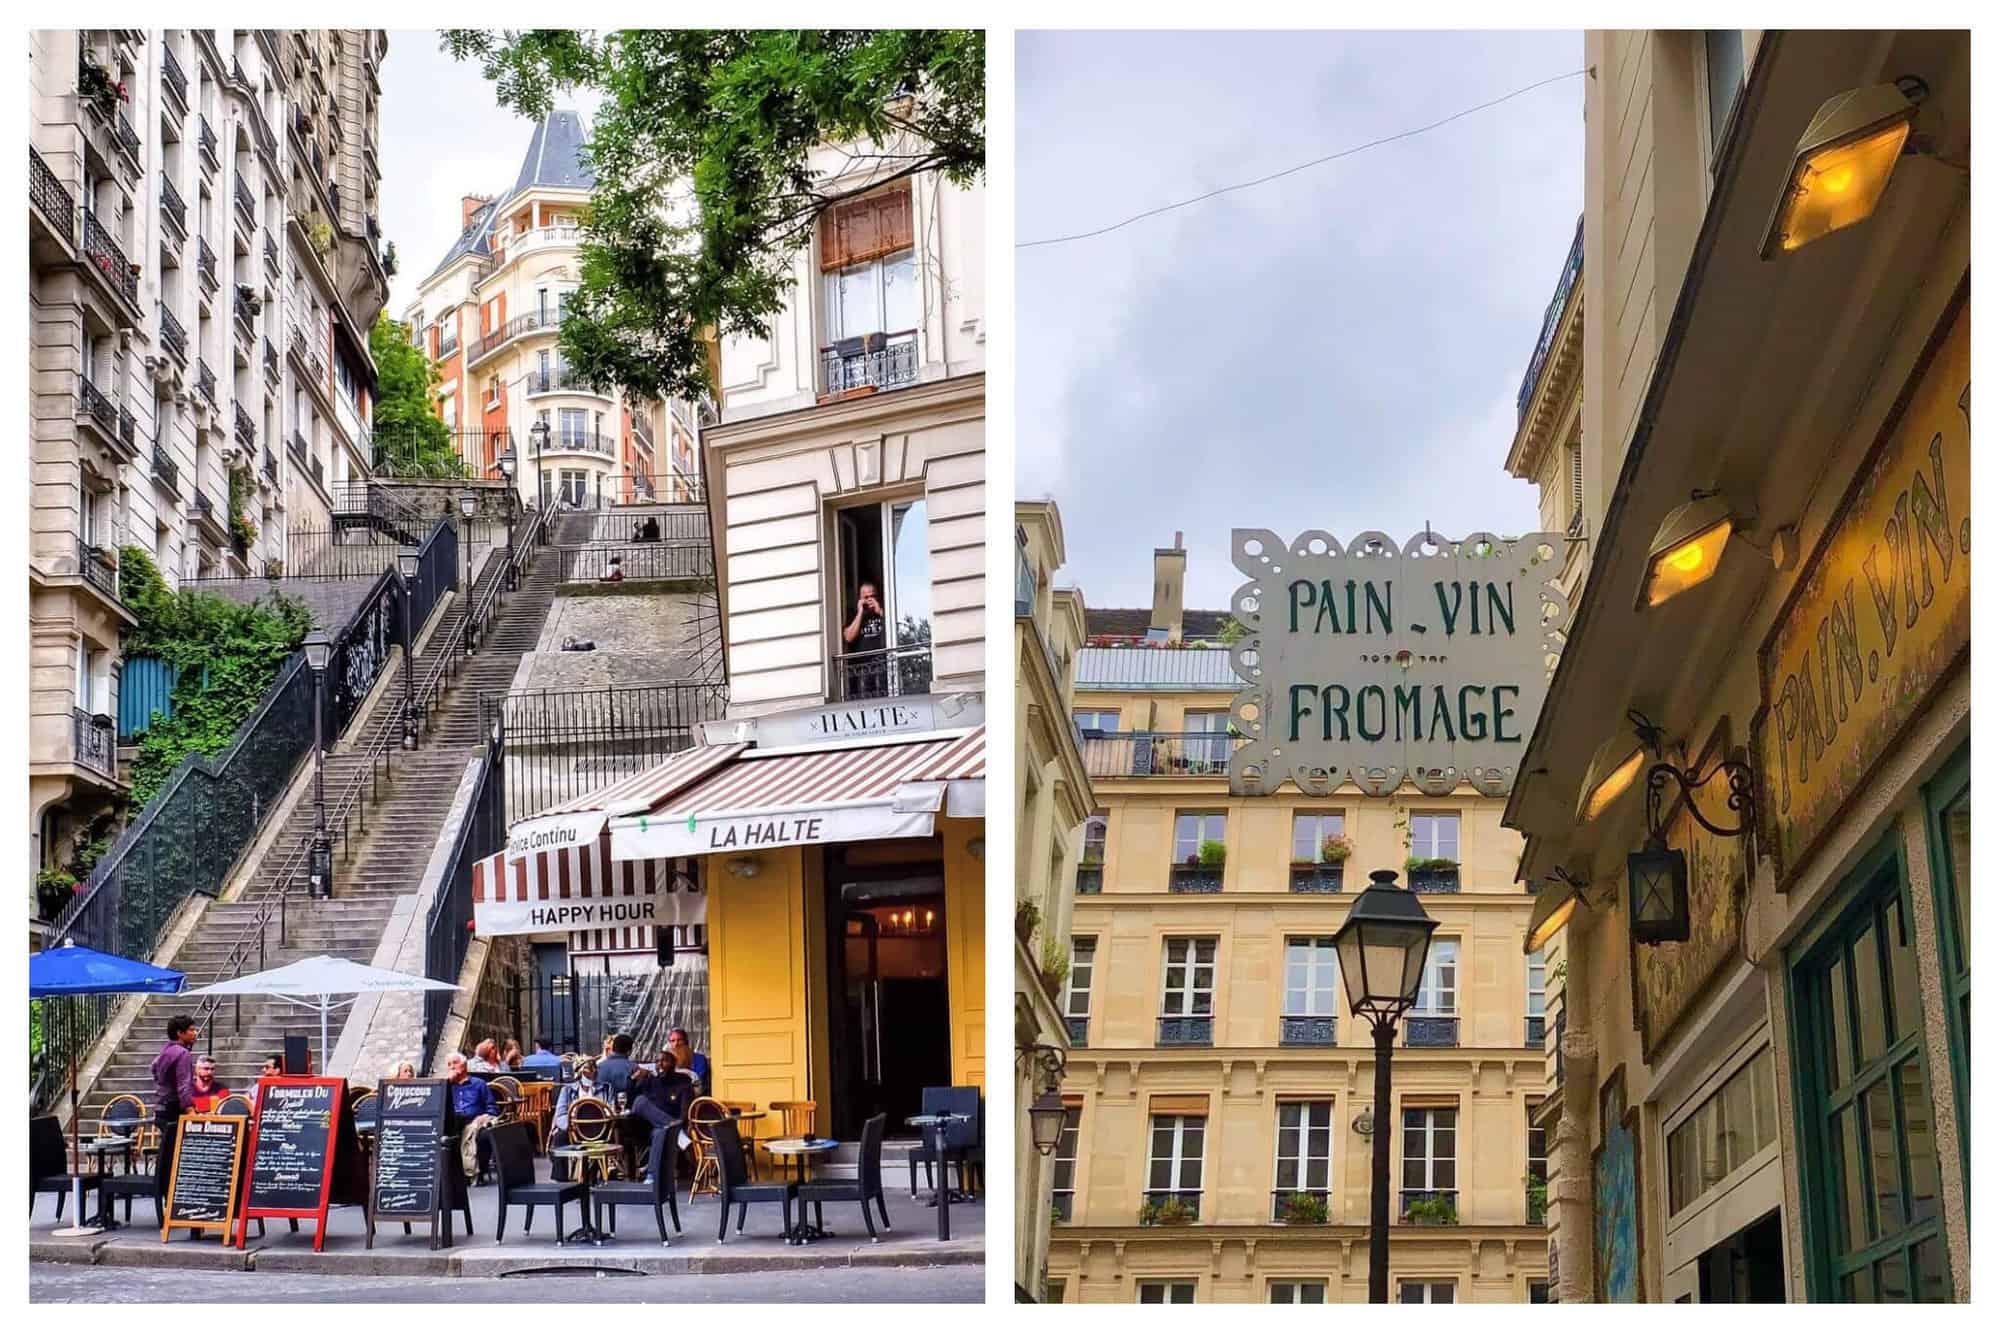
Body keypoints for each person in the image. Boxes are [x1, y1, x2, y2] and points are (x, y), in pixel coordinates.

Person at [151, 1016, 199, 1202]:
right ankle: (173, 1197)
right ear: (180, 1033)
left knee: (168, 1154)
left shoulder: (166, 1050)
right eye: (191, 1030)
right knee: (178, 1156)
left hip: (161, 1106)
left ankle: (165, 1194)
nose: (195, 1033)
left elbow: (154, 1068)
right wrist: (190, 1109)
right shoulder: (183, 1054)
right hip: (173, 1109)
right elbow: (184, 1085)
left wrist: (163, 1085)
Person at [548, 1058, 609, 1181]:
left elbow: (610, 1108)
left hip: (599, 1129)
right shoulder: (567, 1090)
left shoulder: (606, 1088)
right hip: (574, 1130)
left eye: (593, 1069)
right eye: (587, 1069)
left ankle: (592, 1176)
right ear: (580, 1072)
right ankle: (561, 1178)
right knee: (559, 1137)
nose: (591, 1072)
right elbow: (560, 1114)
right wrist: (570, 1126)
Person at [444, 1052, 499, 1183]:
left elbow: (492, 1107)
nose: (452, 1067)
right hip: (453, 1122)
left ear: (464, 1065)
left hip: (474, 1121)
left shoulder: (478, 1084)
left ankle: (477, 1171)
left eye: (455, 1063)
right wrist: (447, 1083)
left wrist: (485, 1116)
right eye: (449, 1064)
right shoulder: (446, 1086)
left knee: (484, 1134)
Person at [841, 580, 888, 697]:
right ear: (860, 599)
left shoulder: (885, 611)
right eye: (866, 597)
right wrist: (860, 613)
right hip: (862, 669)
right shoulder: (854, 615)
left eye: (873, 596)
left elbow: (897, 630)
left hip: (883, 666)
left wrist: (880, 611)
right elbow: (848, 637)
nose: (870, 600)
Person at [667, 1028, 710, 1094]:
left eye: (679, 1040)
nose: (676, 1044)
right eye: (672, 1041)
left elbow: (700, 1081)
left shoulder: (699, 1059)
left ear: (686, 1042)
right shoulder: (666, 1060)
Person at [597, 1032, 636, 1105]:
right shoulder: (633, 1067)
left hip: (602, 1110)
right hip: (624, 1111)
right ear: (629, 1051)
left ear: (613, 1048)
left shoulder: (599, 1066)